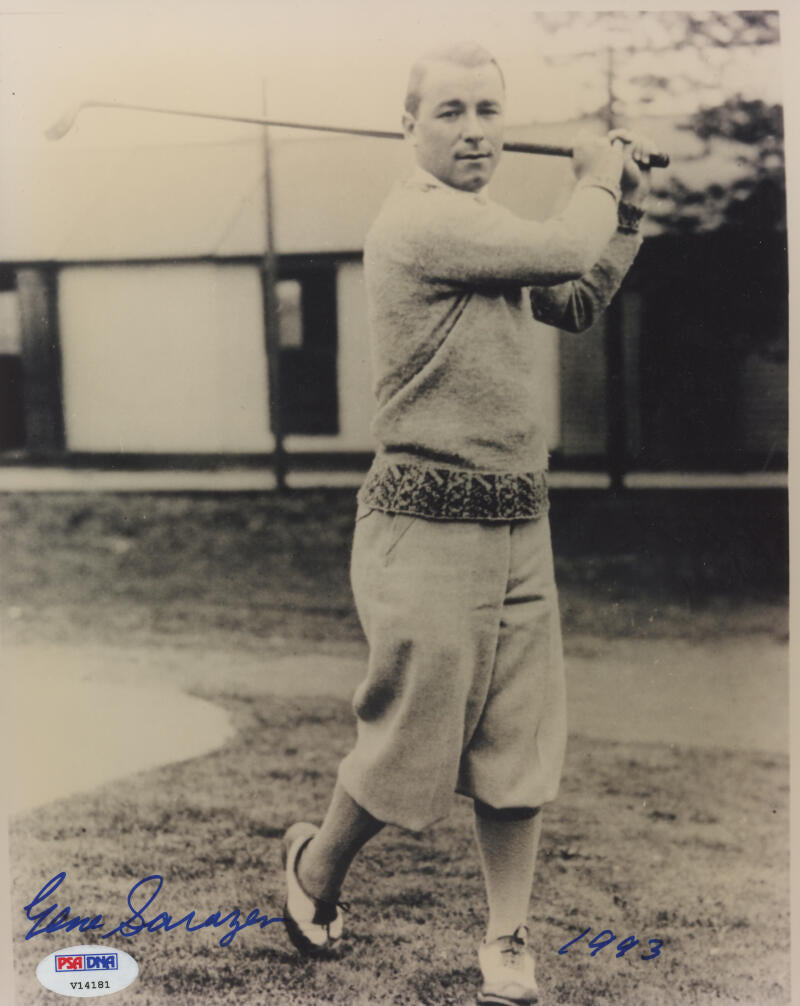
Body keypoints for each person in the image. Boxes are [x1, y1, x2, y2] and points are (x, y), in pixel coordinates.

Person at [282, 42, 654, 1006]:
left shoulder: (489, 226)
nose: (477, 129)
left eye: (490, 110)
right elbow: (569, 245)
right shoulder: (418, 224)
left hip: (519, 525)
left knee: (518, 746)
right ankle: (317, 868)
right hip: (423, 524)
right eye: (449, 111)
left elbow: (576, 296)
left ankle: (508, 940)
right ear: (410, 128)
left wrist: (631, 208)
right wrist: (599, 177)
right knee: (410, 740)